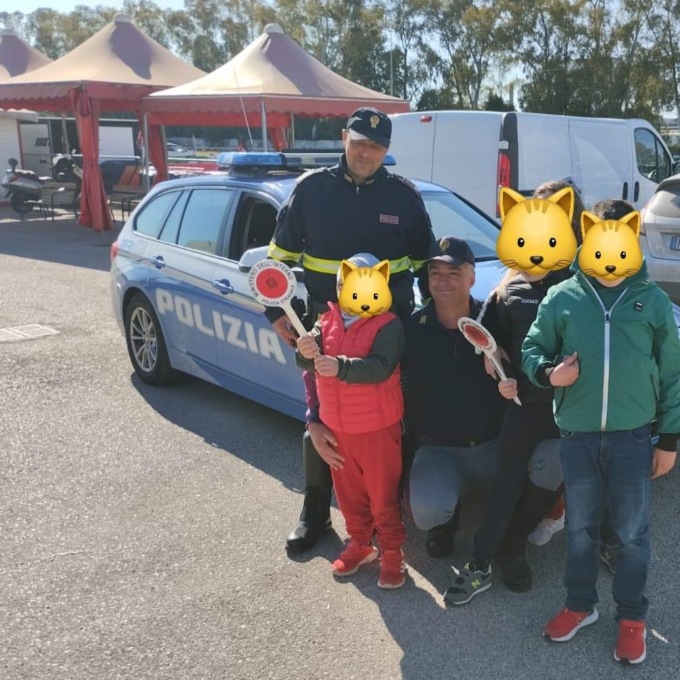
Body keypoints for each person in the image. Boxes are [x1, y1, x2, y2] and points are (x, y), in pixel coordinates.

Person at [266, 107, 435, 553]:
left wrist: (436, 319)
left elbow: (426, 266)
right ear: (344, 137)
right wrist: (275, 313)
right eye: (360, 142)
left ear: (387, 149)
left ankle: (391, 514)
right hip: (328, 329)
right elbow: (276, 263)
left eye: (376, 146)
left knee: (391, 423)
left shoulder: (404, 197)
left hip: (389, 332)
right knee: (321, 421)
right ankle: (316, 512)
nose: (367, 152)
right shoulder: (311, 190)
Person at [522, 208, 680, 664]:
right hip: (578, 436)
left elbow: (672, 372)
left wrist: (668, 440)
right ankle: (580, 605)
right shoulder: (563, 297)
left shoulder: (651, 300)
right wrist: (549, 374)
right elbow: (532, 349)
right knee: (580, 528)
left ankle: (632, 617)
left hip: (633, 437)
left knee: (631, 532)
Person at [443, 186, 575, 604]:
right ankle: (481, 561)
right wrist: (495, 360)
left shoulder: (578, 286)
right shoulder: (507, 289)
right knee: (507, 482)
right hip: (521, 406)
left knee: (555, 480)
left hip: (568, 410)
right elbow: (485, 338)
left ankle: (513, 546)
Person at [296, 253, 407, 588]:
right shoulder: (326, 322)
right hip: (337, 429)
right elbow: (307, 362)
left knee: (382, 496)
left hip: (377, 429)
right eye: (344, 283)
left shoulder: (388, 324)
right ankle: (360, 542)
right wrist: (303, 350)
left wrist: (340, 366)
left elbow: (381, 367)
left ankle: (392, 551)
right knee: (349, 495)